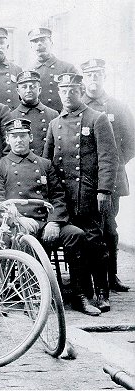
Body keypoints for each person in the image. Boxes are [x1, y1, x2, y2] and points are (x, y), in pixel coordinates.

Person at [0, 118, 101, 315]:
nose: (19, 140)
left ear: (30, 137)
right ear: (8, 139)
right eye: (14, 136)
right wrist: (17, 219)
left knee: (76, 235)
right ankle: (28, 293)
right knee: (16, 239)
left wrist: (54, 222)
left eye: (22, 136)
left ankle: (79, 295)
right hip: (18, 223)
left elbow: (58, 195)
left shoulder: (45, 164)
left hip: (45, 221)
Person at [43, 73, 118, 312]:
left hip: (87, 192)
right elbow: (47, 160)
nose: (67, 95)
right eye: (63, 90)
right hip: (63, 194)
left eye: (73, 90)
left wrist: (104, 189)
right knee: (76, 243)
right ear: (58, 92)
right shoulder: (55, 123)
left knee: (95, 242)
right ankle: (82, 292)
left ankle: (102, 292)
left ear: (80, 91)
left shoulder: (97, 118)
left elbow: (108, 157)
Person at [81, 58, 135, 292]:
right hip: (83, 179)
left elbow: (132, 142)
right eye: (89, 75)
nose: (94, 79)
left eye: (98, 74)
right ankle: (86, 280)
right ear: (83, 79)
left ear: (104, 77)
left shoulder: (117, 106)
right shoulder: (78, 105)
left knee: (110, 228)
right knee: (86, 229)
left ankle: (111, 276)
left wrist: (113, 165)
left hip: (111, 179)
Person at [28, 27, 78, 113]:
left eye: (43, 40)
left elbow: (79, 94)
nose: (39, 44)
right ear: (31, 46)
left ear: (51, 43)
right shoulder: (29, 72)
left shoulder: (67, 68)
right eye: (35, 41)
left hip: (62, 117)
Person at [11, 70, 58, 155]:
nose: (28, 90)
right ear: (18, 91)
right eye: (24, 87)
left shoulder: (53, 115)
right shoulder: (11, 116)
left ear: (39, 90)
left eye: (32, 86)